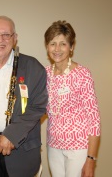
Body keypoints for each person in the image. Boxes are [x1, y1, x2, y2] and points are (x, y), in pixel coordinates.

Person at [0, 15, 48, 177]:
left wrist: (11, 135)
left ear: (15, 38)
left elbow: (38, 106)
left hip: (20, 148)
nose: (0, 39)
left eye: (6, 35)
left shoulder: (33, 67)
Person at [44, 20, 101, 177]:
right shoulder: (45, 74)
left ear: (71, 47)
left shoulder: (82, 74)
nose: (57, 49)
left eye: (63, 44)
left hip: (78, 147)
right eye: (52, 43)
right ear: (47, 46)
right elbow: (39, 108)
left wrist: (91, 159)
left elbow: (94, 119)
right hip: (53, 145)